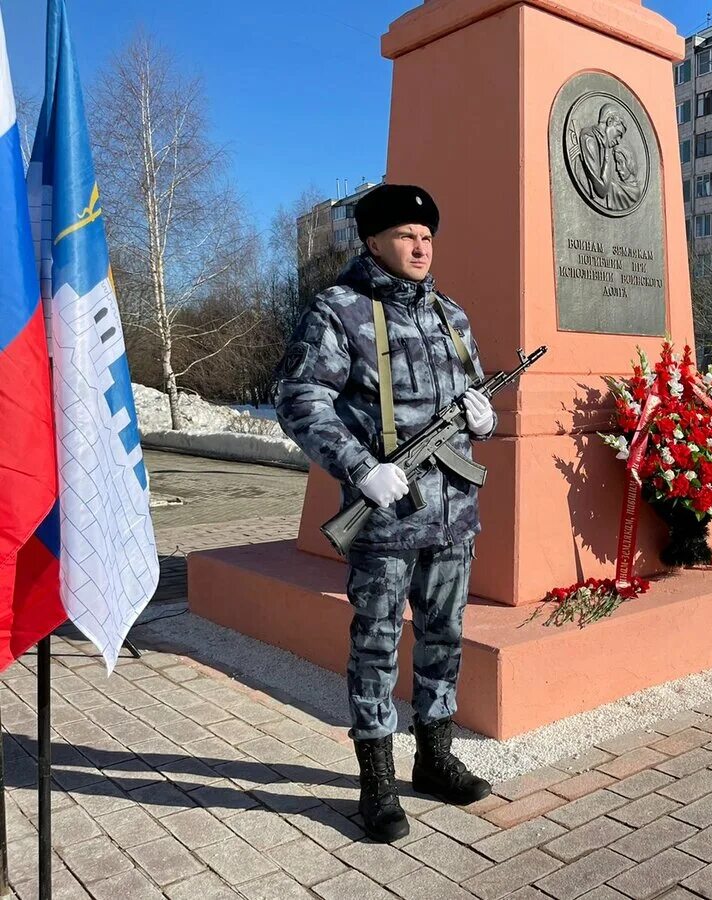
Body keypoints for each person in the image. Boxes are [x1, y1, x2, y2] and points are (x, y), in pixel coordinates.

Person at [275, 184, 495, 842]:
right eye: (406, 235)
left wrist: (484, 416)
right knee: (375, 649)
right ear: (373, 241)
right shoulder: (339, 310)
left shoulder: (449, 315)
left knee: (443, 641)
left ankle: (434, 759)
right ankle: (375, 781)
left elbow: (472, 388)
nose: (421, 245)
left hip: (454, 517)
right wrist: (358, 466)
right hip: (385, 522)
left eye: (427, 236)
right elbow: (300, 396)